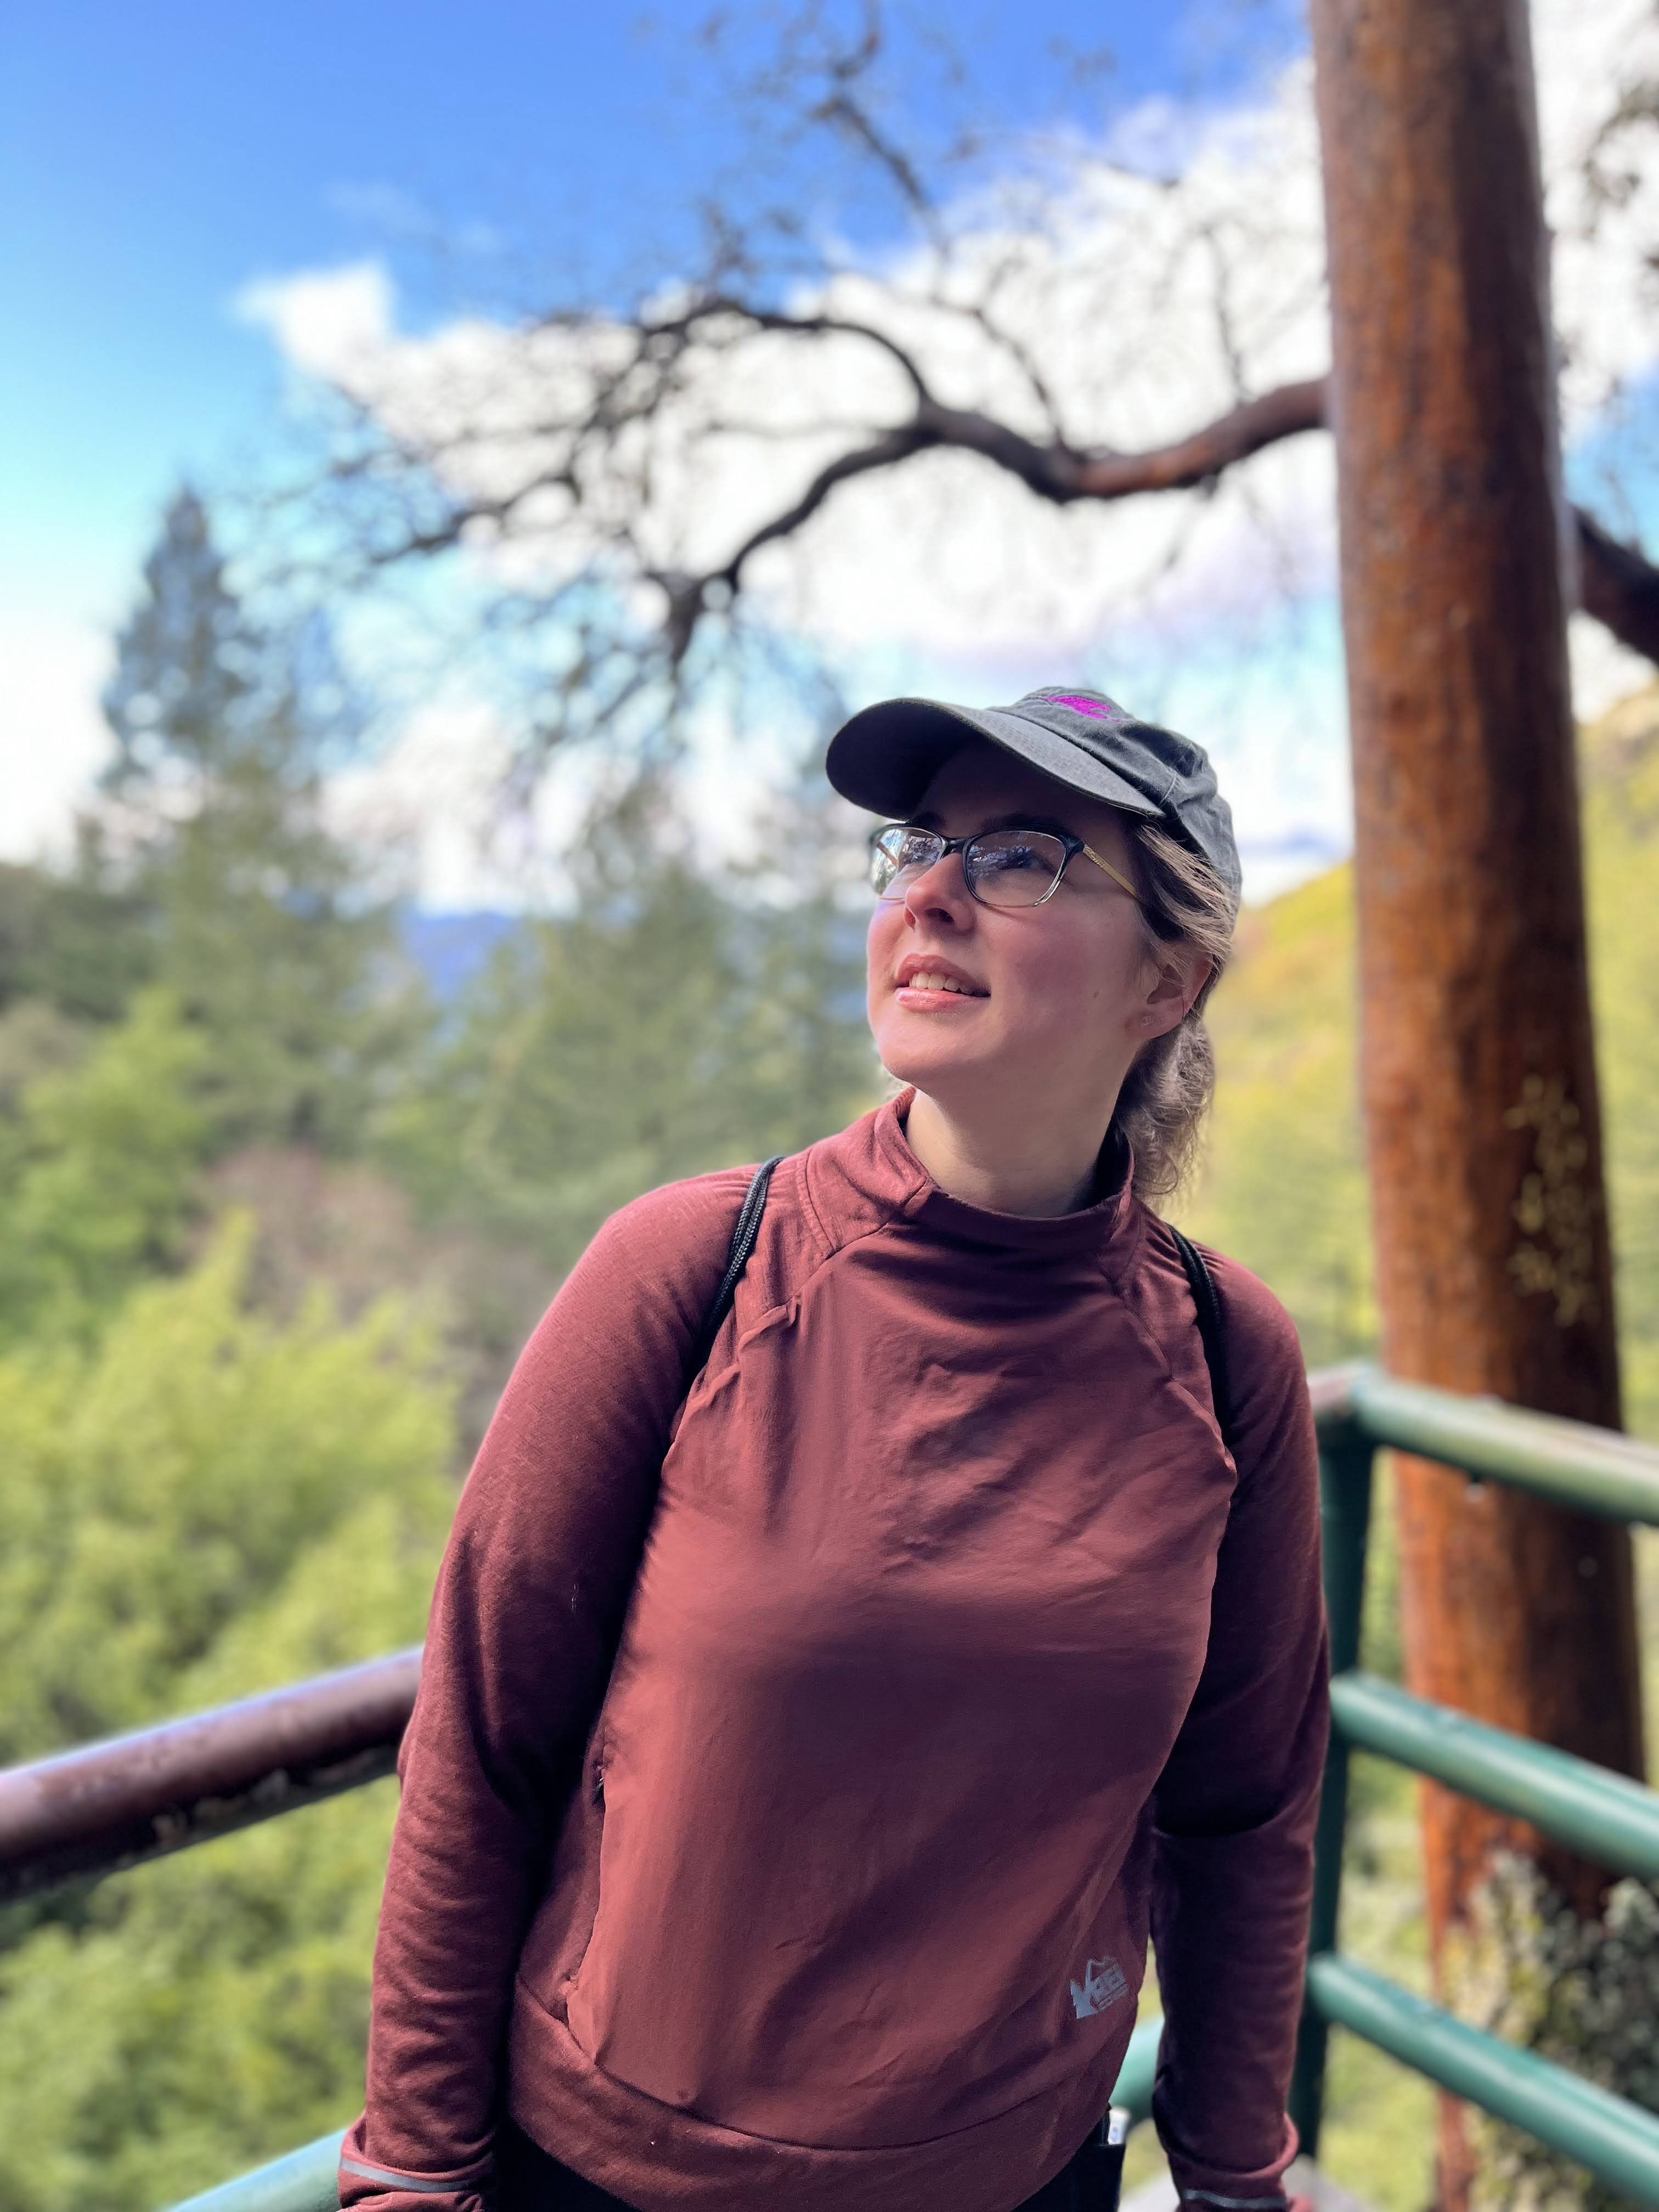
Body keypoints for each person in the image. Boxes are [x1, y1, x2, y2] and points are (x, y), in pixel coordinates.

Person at [340, 687, 1330, 2212]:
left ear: (1166, 982)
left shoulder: (1224, 1356)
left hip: (1021, 2175)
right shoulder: (692, 1269)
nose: (930, 891)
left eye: (1023, 855)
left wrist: (1237, 2174)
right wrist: (410, 2174)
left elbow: (1245, 1814)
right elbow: (480, 1745)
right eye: (919, 845)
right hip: (614, 2179)